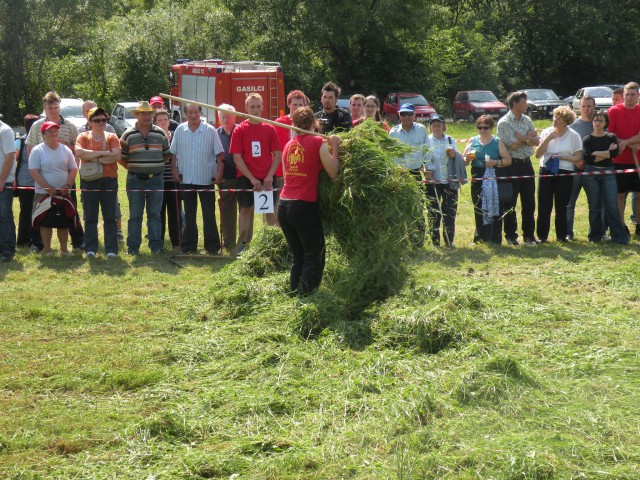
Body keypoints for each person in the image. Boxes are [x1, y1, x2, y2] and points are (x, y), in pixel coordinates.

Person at [278, 106, 340, 295]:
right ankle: (306, 297)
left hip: (283, 205)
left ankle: (294, 293)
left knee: (299, 256)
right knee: (314, 256)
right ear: (314, 123)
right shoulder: (317, 141)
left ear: (293, 124)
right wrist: (335, 147)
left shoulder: (288, 145)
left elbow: (285, 174)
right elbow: (334, 173)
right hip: (303, 206)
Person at [26, 91, 83, 251]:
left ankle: (77, 242)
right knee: (40, 213)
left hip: (67, 176)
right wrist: (44, 182)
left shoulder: (70, 126)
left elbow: (78, 149)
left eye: (56, 107)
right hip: (43, 179)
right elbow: (30, 151)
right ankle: (38, 244)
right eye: (49, 107)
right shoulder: (37, 126)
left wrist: (63, 144)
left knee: (69, 212)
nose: (53, 110)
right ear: (44, 108)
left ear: (60, 107)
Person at [229, 93, 282, 251]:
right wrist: (252, 179)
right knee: (246, 209)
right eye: (252, 106)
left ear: (262, 107)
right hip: (246, 177)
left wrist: (269, 176)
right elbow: (237, 158)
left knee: (269, 210)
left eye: (258, 106)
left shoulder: (269, 128)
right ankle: (244, 244)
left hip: (266, 177)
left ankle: (271, 244)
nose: (256, 109)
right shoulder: (240, 130)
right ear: (246, 108)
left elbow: (278, 155)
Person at [170, 103, 224, 254]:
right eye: (190, 112)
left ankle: (212, 246)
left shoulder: (210, 130)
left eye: (196, 112)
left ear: (200, 113)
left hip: (206, 179)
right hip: (186, 178)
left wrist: (219, 173)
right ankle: (188, 246)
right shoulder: (180, 130)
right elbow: (173, 153)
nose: (193, 115)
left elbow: (220, 155)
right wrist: (174, 170)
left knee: (208, 214)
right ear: (185, 113)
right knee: (189, 213)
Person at [120, 101, 170, 255]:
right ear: (137, 115)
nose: (146, 116)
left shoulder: (160, 134)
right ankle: (133, 248)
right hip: (135, 179)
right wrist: (134, 168)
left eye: (149, 113)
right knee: (135, 214)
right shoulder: (128, 134)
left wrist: (155, 166)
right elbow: (122, 157)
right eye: (143, 114)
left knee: (155, 214)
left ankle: (156, 246)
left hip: (156, 179)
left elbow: (167, 155)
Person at [75, 107, 122, 258]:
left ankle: (111, 250)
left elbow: (116, 156)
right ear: (90, 122)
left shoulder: (112, 137)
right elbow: (79, 153)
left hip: (109, 180)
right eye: (97, 120)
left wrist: (92, 158)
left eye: (103, 120)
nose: (101, 122)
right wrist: (103, 154)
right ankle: (90, 249)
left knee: (110, 216)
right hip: (89, 181)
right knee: (90, 216)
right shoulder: (82, 136)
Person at [28, 122, 78, 256]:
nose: (54, 133)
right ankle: (47, 249)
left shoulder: (65, 149)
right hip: (43, 193)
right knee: (45, 221)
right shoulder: (37, 150)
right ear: (44, 135)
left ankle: (64, 249)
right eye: (51, 131)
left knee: (63, 221)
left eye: (56, 131)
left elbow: (73, 168)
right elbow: (33, 171)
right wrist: (47, 187)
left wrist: (68, 185)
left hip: (63, 192)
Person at [497, 91, 540, 245]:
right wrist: (528, 138)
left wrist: (523, 138)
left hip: (527, 164)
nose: (526, 105)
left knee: (529, 202)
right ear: (515, 104)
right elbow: (512, 145)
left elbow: (537, 141)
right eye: (524, 102)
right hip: (512, 166)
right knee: (510, 202)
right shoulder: (504, 123)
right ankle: (510, 236)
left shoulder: (527, 119)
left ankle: (529, 236)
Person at [535, 106, 583, 243]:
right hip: (546, 169)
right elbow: (537, 154)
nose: (555, 120)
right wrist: (548, 138)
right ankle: (542, 236)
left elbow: (578, 157)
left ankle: (561, 236)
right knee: (544, 204)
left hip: (564, 172)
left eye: (559, 119)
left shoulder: (574, 135)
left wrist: (564, 157)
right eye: (554, 117)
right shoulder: (546, 132)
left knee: (561, 205)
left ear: (566, 121)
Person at [582, 111, 628, 244]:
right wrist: (607, 152)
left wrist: (597, 153)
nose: (597, 123)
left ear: (605, 123)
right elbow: (588, 158)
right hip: (591, 174)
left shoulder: (611, 137)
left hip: (608, 173)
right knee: (594, 206)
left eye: (600, 120)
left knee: (612, 206)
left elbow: (614, 154)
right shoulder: (587, 139)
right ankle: (595, 236)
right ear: (592, 122)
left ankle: (619, 237)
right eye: (595, 120)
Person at [463, 115, 512, 244]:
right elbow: (464, 161)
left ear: (491, 128)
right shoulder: (472, 141)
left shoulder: (497, 141)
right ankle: (480, 237)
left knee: (494, 207)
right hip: (477, 176)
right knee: (478, 207)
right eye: (480, 127)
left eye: (486, 127)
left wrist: (495, 162)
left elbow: (508, 160)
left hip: (493, 176)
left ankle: (494, 237)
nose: (483, 130)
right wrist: (467, 159)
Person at [424, 114, 467, 247]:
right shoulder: (426, 140)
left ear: (444, 126)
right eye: (434, 125)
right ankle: (435, 241)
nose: (437, 127)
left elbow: (458, 157)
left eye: (439, 124)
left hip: (449, 180)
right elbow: (423, 158)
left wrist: (455, 154)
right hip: (433, 181)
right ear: (430, 127)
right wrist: (425, 170)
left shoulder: (450, 139)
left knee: (449, 212)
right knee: (433, 212)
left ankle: (449, 240)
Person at [389, 103, 428, 247]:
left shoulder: (421, 130)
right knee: (400, 207)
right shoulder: (393, 132)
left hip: (415, 173)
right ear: (399, 115)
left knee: (417, 207)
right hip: (399, 174)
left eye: (409, 114)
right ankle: (401, 241)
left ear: (414, 115)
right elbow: (390, 154)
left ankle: (418, 241)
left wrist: (428, 167)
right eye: (403, 114)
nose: (406, 117)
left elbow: (427, 149)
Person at [608, 82, 640, 237]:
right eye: (626, 94)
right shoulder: (613, 111)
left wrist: (626, 142)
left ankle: (639, 224)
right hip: (619, 160)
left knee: (639, 194)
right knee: (619, 194)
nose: (629, 97)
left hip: (638, 161)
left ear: (638, 96)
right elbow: (611, 135)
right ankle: (621, 225)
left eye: (632, 94)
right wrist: (628, 143)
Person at [273, 91, 309, 227]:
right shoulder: (279, 123)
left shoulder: (307, 124)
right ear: (289, 105)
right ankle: (279, 229)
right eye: (295, 104)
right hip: (282, 171)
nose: (298, 107)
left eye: (301, 104)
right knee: (280, 202)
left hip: (302, 170)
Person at [565, 95, 594, 240]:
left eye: (589, 106)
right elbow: (568, 149)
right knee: (570, 202)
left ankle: (595, 233)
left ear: (594, 107)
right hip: (575, 169)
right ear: (579, 107)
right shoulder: (573, 127)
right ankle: (568, 232)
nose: (586, 109)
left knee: (595, 203)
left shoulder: (599, 124)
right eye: (584, 106)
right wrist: (576, 162)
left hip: (593, 170)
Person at [14, 114, 43, 252]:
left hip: (38, 181)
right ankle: (23, 240)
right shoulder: (20, 141)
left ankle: (35, 240)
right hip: (25, 181)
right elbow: (14, 161)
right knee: (26, 211)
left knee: (35, 211)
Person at [154, 108, 182, 249]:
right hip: (158, 179)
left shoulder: (176, 136)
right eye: (160, 120)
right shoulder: (154, 138)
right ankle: (159, 241)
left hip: (173, 179)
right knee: (159, 212)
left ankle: (176, 241)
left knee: (175, 212)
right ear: (155, 122)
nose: (163, 122)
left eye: (165, 119)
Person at [216, 104, 239, 251]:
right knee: (227, 211)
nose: (226, 119)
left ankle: (244, 241)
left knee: (245, 210)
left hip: (242, 176)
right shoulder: (216, 134)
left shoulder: (240, 131)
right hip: (224, 177)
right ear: (219, 118)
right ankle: (228, 241)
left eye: (228, 116)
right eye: (223, 117)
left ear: (234, 117)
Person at [0, 115, 16, 262]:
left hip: (3, 182)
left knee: (4, 216)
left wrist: (2, 180)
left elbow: (10, 156)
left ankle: (8, 249)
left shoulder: (5, 130)